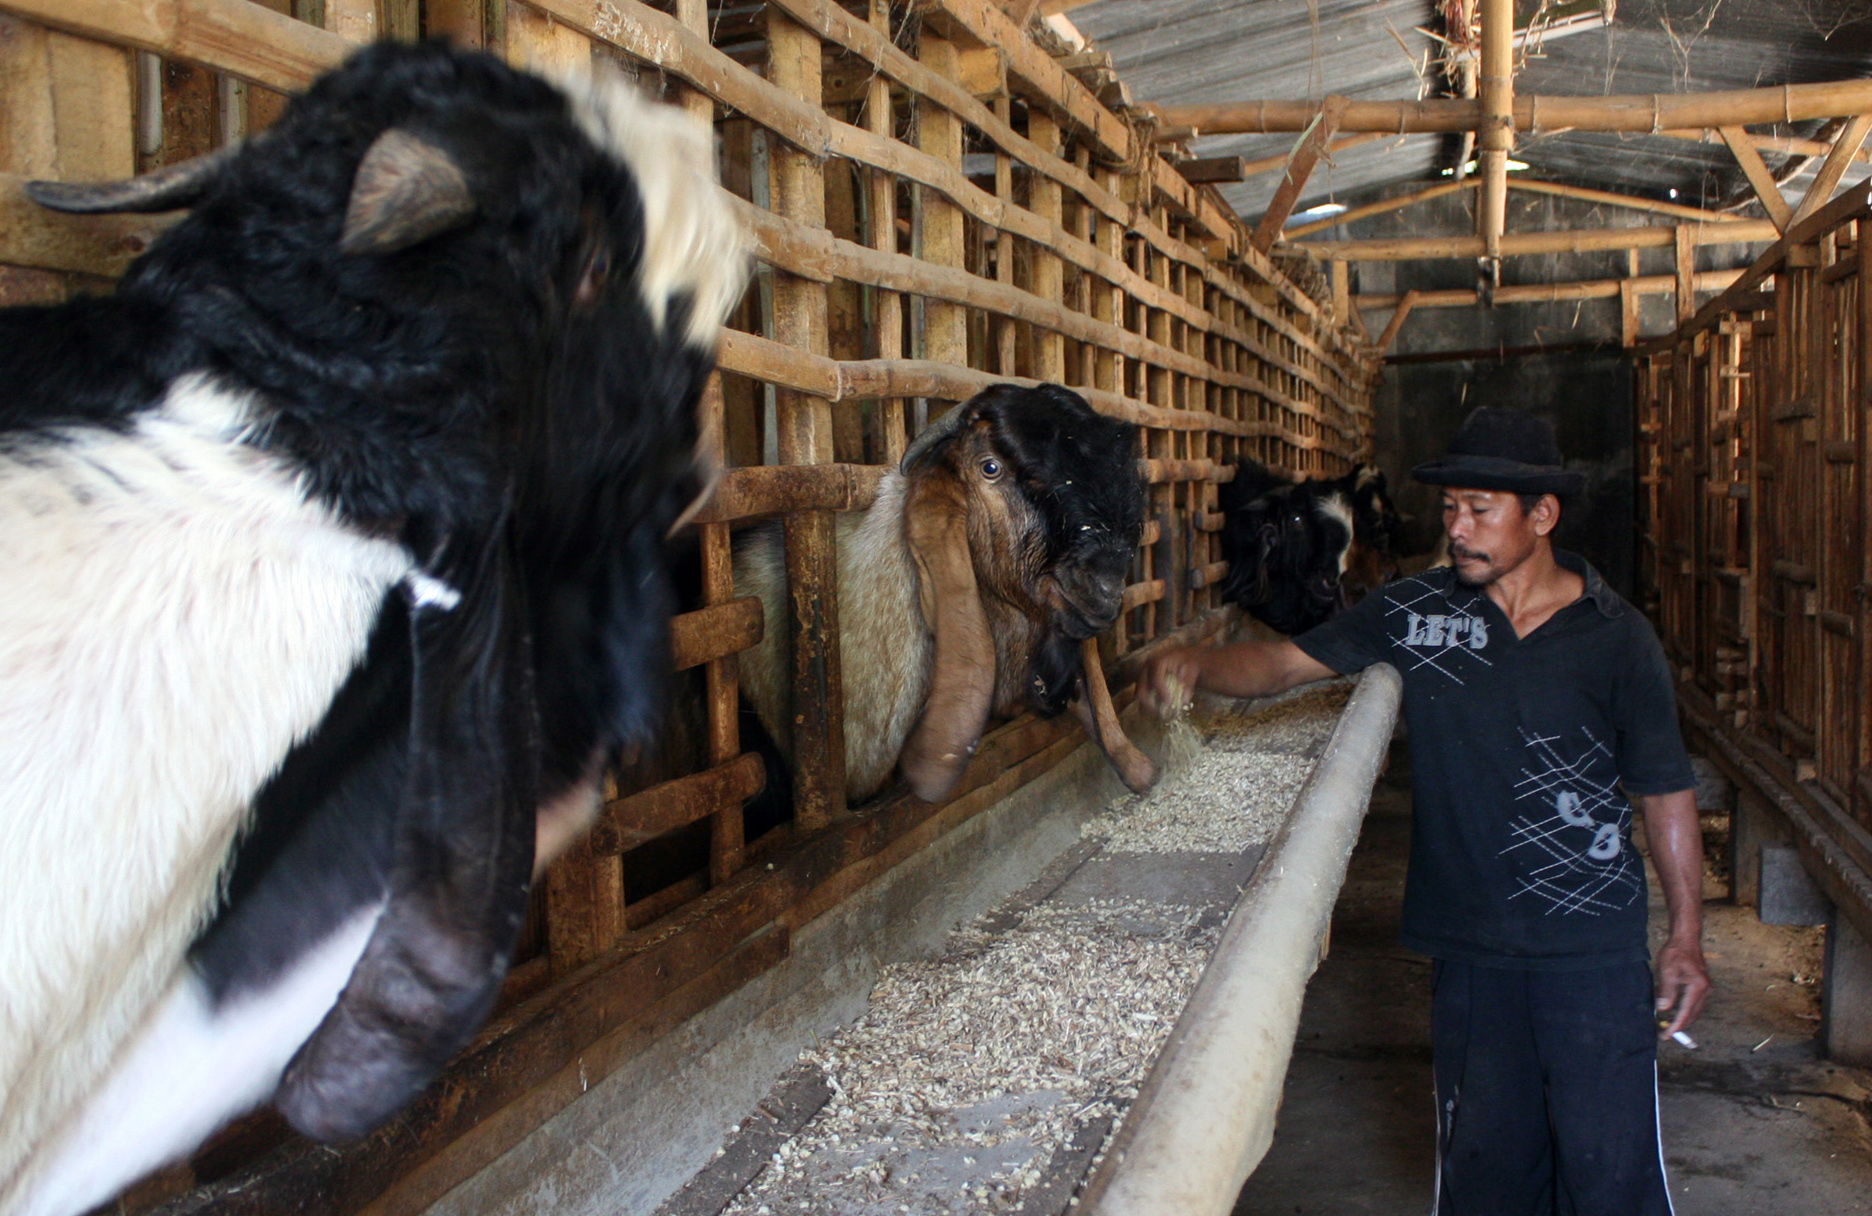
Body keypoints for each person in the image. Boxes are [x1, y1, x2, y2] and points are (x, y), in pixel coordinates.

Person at [1142, 406, 1709, 1216]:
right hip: (1470, 954)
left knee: (1611, 1179)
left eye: (1481, 510)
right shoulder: (1418, 614)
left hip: (1591, 953)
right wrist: (1195, 663)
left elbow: (1665, 791)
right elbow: (1280, 664)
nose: (1458, 529)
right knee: (1486, 1181)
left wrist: (1685, 936)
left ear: (1541, 516)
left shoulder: (1616, 639)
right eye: (1450, 509)